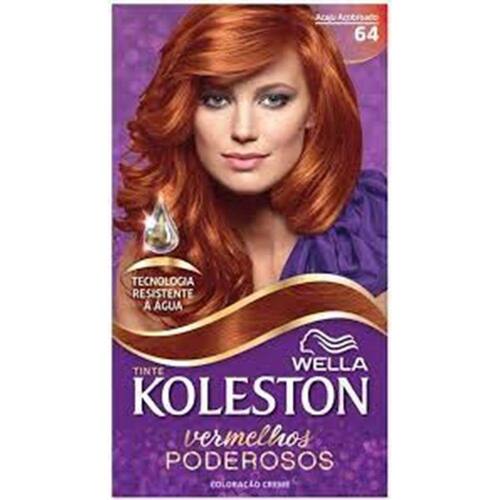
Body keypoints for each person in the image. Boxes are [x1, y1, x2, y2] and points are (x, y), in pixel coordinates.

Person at [115, 4, 387, 329]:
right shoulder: (155, 264)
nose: (243, 130)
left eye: (274, 100)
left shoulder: (376, 230)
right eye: (216, 99)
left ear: (314, 110)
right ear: (185, 110)